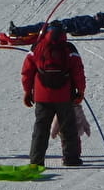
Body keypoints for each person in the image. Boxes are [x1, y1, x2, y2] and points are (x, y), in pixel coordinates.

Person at [21, 24, 86, 167]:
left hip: (42, 96)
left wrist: (27, 91)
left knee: (41, 128)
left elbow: (27, 72)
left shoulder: (37, 47)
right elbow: (78, 71)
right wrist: (80, 91)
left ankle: (36, 161)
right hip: (64, 95)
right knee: (68, 127)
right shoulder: (69, 49)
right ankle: (71, 159)